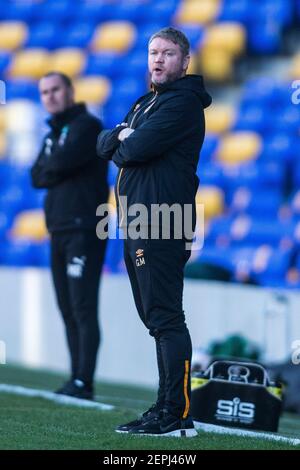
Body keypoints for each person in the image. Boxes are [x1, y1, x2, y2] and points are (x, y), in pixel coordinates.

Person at [97, 27, 212, 436]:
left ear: (185, 62)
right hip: (140, 220)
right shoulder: (148, 101)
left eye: (167, 53)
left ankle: (177, 413)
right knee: (157, 320)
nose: (158, 59)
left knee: (165, 318)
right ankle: (165, 407)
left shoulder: (181, 105)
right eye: (152, 52)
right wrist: (121, 136)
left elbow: (128, 149)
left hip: (163, 220)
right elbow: (104, 142)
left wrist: (124, 138)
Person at [31, 72, 109, 400]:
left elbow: (59, 163)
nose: (49, 97)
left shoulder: (87, 126)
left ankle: (84, 381)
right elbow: (36, 175)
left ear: (70, 91)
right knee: (66, 306)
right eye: (44, 92)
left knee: (82, 306)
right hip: (58, 230)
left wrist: (54, 166)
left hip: (84, 229)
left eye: (55, 90)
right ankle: (75, 377)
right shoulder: (53, 132)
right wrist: (54, 166)